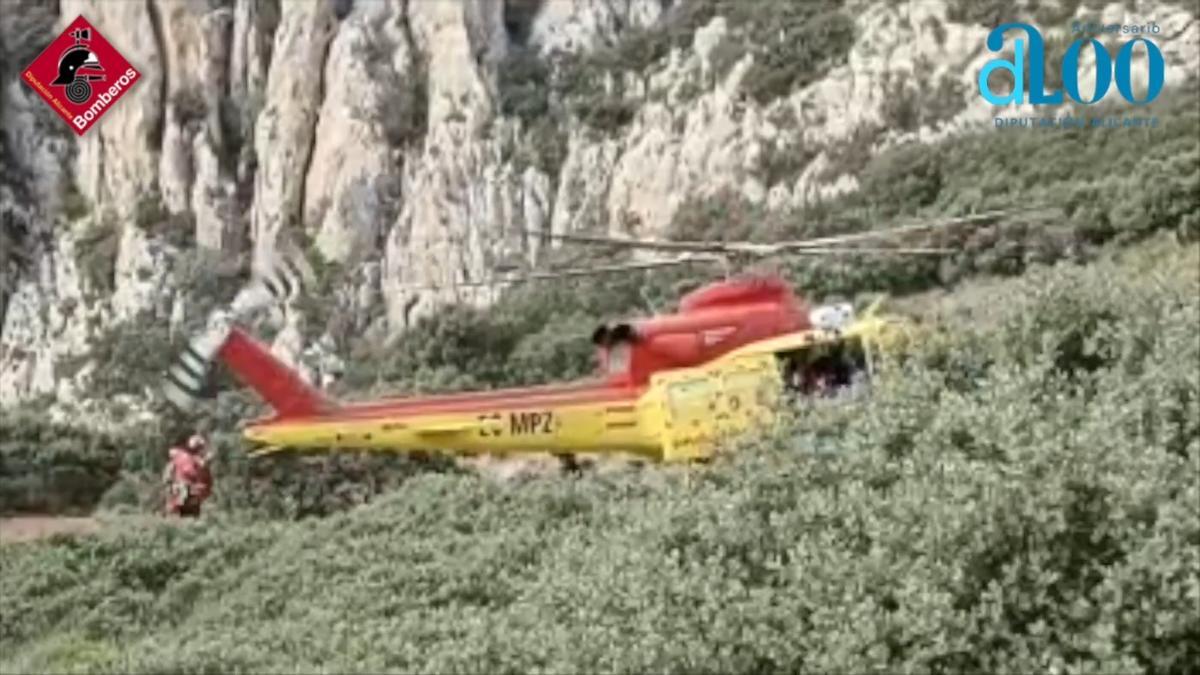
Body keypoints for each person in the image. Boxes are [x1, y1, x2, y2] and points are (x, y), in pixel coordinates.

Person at [163, 434, 215, 518]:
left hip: (190, 491)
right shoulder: (186, 457)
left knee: (188, 511)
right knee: (181, 508)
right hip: (185, 490)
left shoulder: (191, 459)